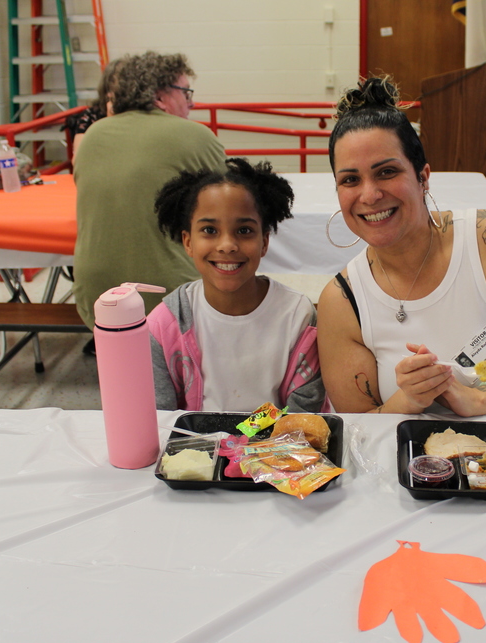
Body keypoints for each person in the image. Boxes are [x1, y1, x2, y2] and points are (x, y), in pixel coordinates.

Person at [316, 77, 486, 416]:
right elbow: (357, 428)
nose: (369, 195)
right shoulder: (342, 301)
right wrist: (409, 400)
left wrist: (482, 399)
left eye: (386, 172)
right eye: (350, 179)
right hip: (414, 465)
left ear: (423, 176)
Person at [72, 51, 226, 351]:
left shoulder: (92, 134)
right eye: (185, 92)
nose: (191, 102)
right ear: (158, 96)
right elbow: (229, 208)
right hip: (170, 299)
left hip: (95, 300)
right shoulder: (195, 136)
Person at [147, 158, 326, 413]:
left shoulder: (297, 315)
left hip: (274, 446)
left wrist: (241, 440)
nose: (227, 245)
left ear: (264, 241)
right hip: (195, 447)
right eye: (209, 230)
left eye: (244, 231)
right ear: (188, 242)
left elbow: (304, 409)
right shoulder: (165, 324)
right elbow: (159, 415)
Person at [66, 57, 127, 156]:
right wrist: (110, 119)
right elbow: (78, 159)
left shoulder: (138, 113)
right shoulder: (90, 116)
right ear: (107, 90)